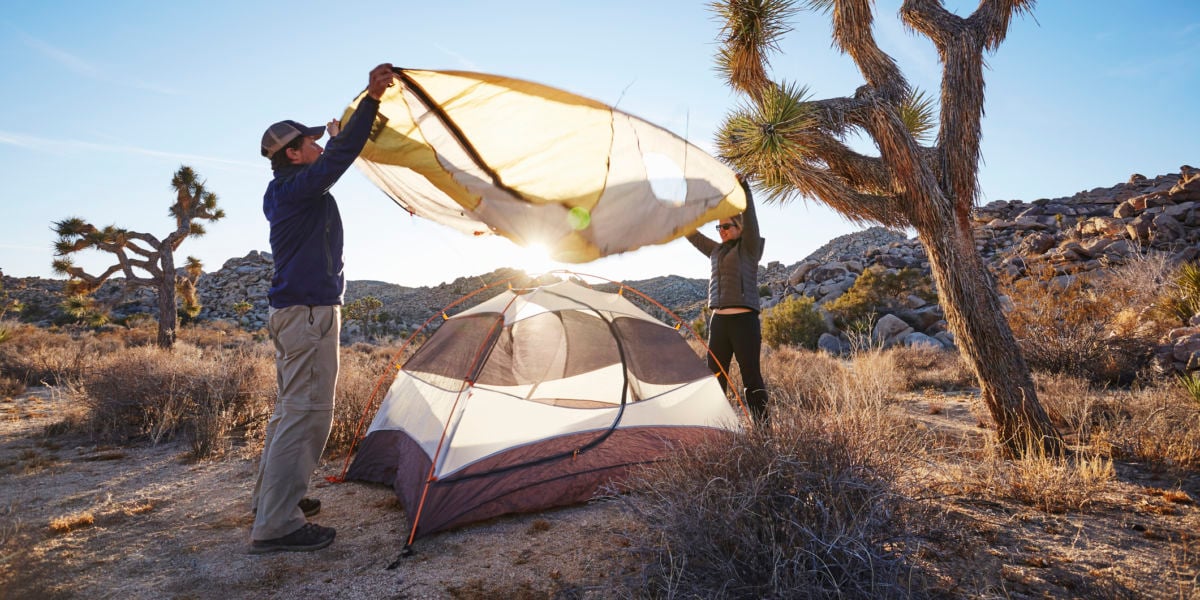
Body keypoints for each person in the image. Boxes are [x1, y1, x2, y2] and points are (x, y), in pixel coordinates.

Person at [248, 63, 396, 554]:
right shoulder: (295, 189)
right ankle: (276, 525)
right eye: (308, 142)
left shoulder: (289, 190)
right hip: (308, 316)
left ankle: (272, 500)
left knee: (290, 411)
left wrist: (336, 137)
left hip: (300, 314)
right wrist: (371, 99)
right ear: (292, 154)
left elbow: (331, 158)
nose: (317, 144)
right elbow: (338, 160)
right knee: (308, 414)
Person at [685, 176, 770, 423]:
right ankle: (717, 429)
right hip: (718, 323)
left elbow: (752, 221)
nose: (721, 231)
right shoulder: (716, 250)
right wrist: (679, 221)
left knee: (751, 377)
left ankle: (763, 433)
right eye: (718, 228)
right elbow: (694, 236)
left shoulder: (749, 248)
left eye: (726, 227)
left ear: (740, 228)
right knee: (714, 378)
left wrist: (745, 189)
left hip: (744, 322)